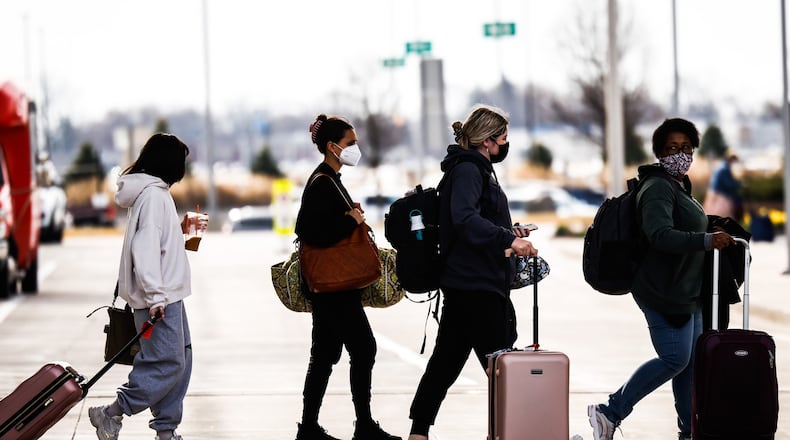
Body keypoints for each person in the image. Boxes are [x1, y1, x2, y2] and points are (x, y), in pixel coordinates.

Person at [587, 118, 736, 440]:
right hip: (662, 290)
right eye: (672, 148)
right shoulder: (657, 188)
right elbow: (659, 235)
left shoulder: (680, 185)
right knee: (674, 358)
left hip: (687, 289)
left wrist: (709, 232)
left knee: (690, 363)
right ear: (659, 152)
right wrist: (706, 241)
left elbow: (685, 227)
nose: (680, 154)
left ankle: (689, 431)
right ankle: (610, 411)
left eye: (686, 148)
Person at [407, 104, 538, 440]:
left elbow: (474, 219)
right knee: (502, 368)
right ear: (487, 141)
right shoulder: (469, 170)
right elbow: (464, 219)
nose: (506, 144)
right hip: (477, 285)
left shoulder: (472, 168)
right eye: (504, 137)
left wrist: (512, 231)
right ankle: (515, 431)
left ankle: (418, 433)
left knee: (446, 364)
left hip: (467, 282)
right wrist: (507, 238)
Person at [293, 114, 401, 440]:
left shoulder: (330, 179)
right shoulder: (323, 181)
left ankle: (310, 428)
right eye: (351, 143)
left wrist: (348, 216)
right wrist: (350, 221)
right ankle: (362, 426)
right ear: (332, 146)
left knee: (324, 355)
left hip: (330, 287)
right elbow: (308, 230)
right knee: (363, 349)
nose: (356, 148)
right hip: (334, 287)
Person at [88, 133, 194, 440]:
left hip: (168, 295)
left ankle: (166, 431)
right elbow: (145, 251)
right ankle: (111, 413)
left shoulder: (154, 194)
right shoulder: (153, 197)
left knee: (180, 362)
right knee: (168, 364)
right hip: (159, 299)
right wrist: (156, 297)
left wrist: (178, 229)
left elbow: (154, 242)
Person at [704, 152, 743, 220]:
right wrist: (740, 184)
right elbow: (728, 183)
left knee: (711, 215)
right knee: (723, 217)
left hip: (713, 193)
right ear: (731, 159)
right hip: (720, 195)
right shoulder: (724, 169)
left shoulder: (720, 166)